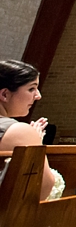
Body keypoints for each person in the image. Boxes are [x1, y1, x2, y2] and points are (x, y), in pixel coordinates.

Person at [0, 60, 56, 199]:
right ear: (4, 94)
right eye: (31, 89)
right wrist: (35, 141)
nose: (38, 96)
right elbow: (41, 189)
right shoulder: (19, 132)